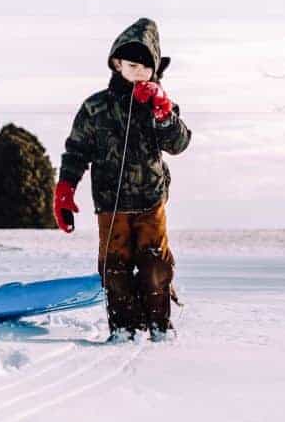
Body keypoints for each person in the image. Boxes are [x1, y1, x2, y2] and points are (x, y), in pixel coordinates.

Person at [53, 18, 192, 342]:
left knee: (155, 267)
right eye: (131, 64)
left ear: (155, 69)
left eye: (145, 66)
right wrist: (65, 189)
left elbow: (180, 143)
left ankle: (159, 326)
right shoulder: (95, 107)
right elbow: (75, 151)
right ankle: (125, 328)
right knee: (114, 268)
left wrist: (163, 113)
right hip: (110, 203)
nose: (138, 71)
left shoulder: (162, 105)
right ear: (116, 63)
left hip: (150, 200)